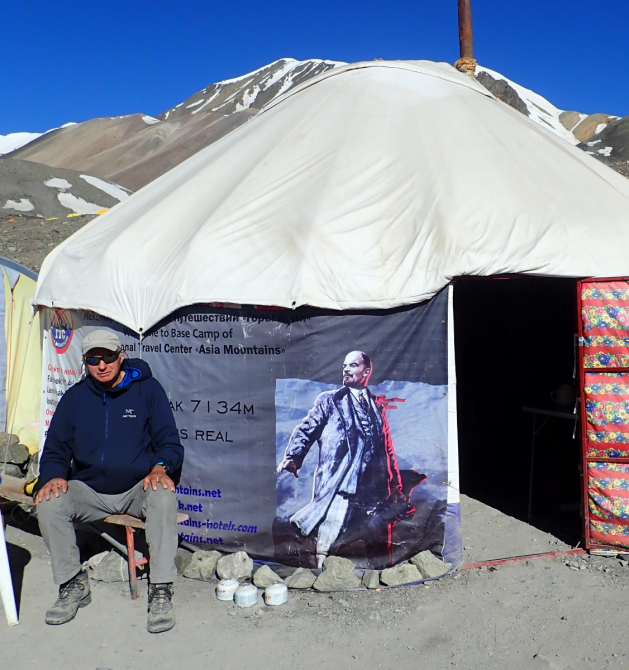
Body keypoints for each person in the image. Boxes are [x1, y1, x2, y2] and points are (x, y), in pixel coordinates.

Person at [35, 330, 184, 633]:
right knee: (49, 501)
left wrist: (159, 467)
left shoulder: (147, 390)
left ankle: (160, 589)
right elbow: (55, 450)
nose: (101, 365)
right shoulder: (75, 398)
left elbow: (170, 443)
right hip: (89, 489)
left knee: (164, 496)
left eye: (107, 357)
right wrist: (52, 476)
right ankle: (73, 584)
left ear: (120, 356)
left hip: (135, 488)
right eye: (93, 359)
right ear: (85, 362)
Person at [277, 350, 411, 569]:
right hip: (341, 486)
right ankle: (322, 573)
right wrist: (293, 456)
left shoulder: (377, 407)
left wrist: (394, 486)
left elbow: (387, 450)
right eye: (344, 366)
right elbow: (307, 429)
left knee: (377, 540)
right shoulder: (330, 400)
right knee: (329, 535)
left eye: (353, 365)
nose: (346, 370)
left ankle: (380, 576)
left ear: (366, 371)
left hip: (373, 489)